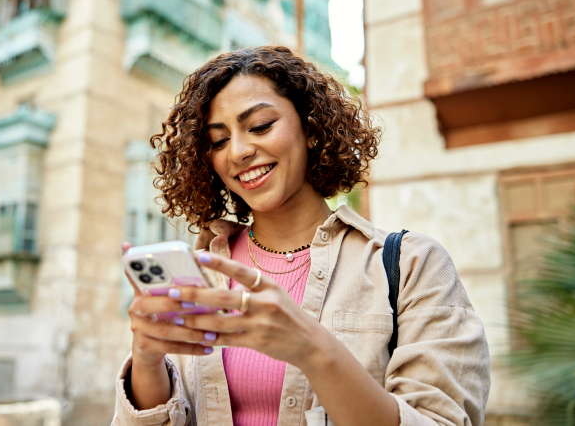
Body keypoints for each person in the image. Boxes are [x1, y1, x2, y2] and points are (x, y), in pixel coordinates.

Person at [112, 46, 490, 426]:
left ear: (310, 129)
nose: (239, 151)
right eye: (219, 141)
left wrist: (313, 349)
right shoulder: (203, 274)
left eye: (260, 126)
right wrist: (146, 359)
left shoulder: (410, 266)